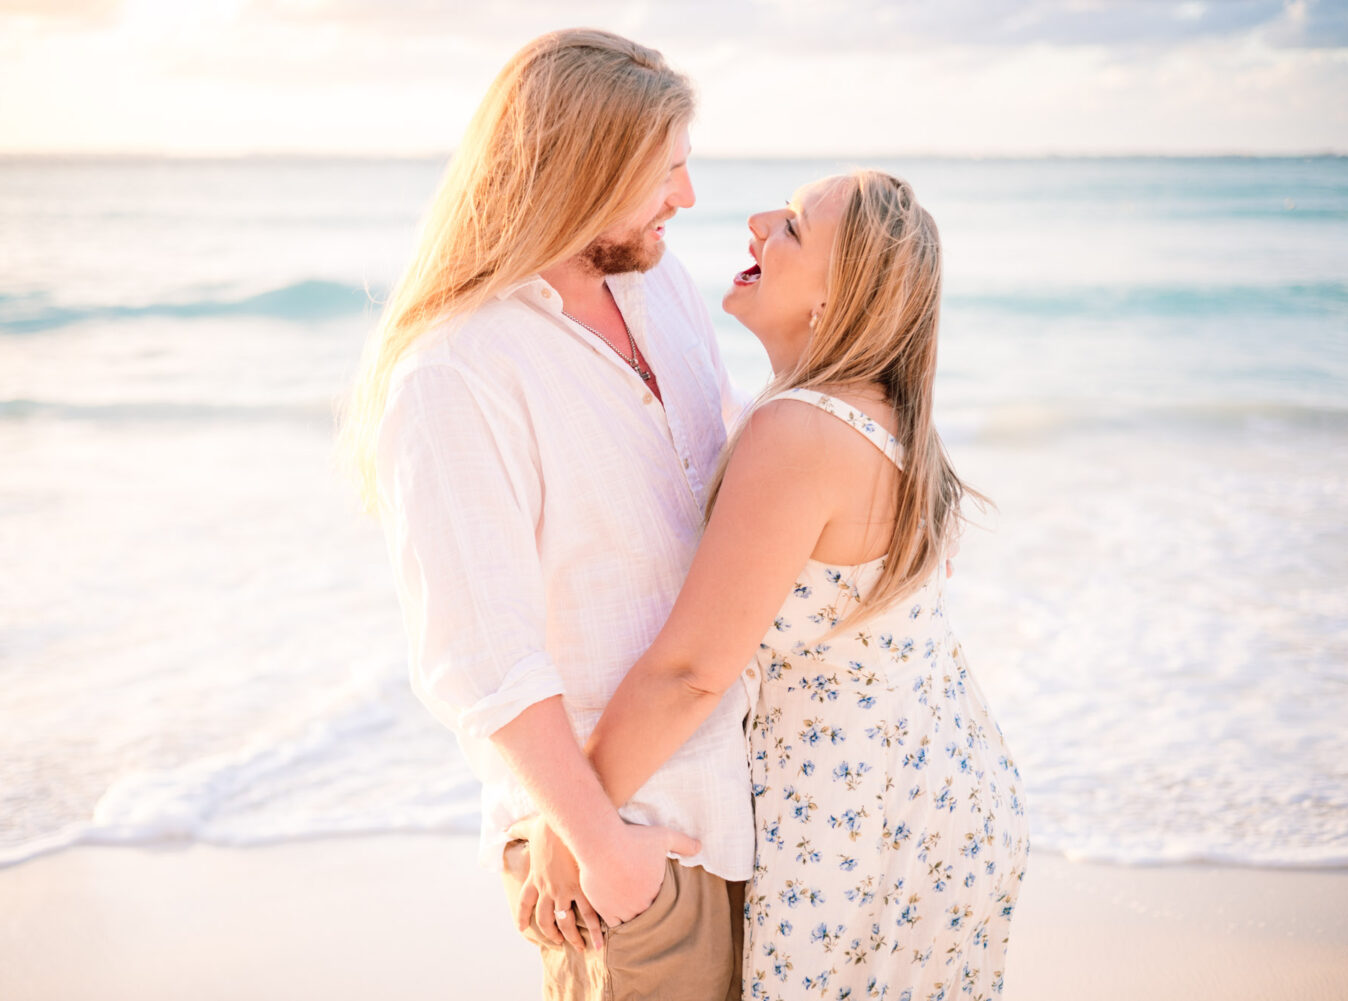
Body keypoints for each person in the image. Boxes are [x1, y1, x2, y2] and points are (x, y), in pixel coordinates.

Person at [529, 171, 1031, 999]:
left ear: (835, 304)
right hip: (944, 799)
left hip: (861, 821)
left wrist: (572, 817)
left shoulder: (800, 429)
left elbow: (692, 670)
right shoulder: (884, 413)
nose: (759, 222)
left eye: (794, 226)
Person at [347, 28, 752, 1001]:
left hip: (748, 808)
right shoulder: (457, 367)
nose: (687, 199)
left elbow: (730, 510)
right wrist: (598, 840)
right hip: (627, 849)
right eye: (666, 171)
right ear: (581, 170)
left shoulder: (663, 288)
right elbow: (479, 652)